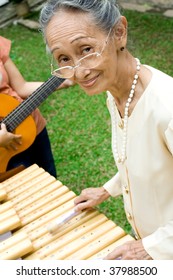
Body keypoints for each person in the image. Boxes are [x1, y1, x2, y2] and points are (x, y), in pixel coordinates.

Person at [39, 0, 173, 260]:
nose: (79, 71)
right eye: (64, 58)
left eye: (86, 49)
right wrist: (108, 189)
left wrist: (150, 247)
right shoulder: (116, 92)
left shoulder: (168, 108)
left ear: (119, 32)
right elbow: (143, 160)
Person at [0, 35, 73, 178]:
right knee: (23, 192)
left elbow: (21, 87)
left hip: (32, 124)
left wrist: (62, 81)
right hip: (5, 150)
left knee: (50, 177)